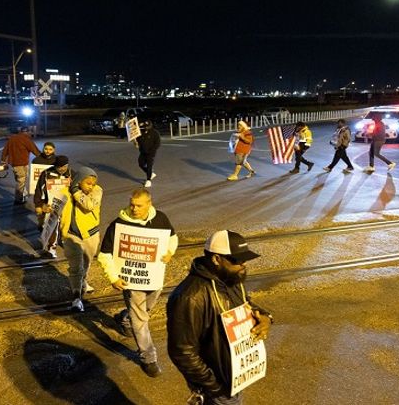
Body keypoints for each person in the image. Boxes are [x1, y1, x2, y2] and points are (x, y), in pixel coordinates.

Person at [167, 230, 273, 405]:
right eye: (236, 260)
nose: (244, 264)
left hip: (233, 378)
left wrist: (266, 317)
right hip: (218, 386)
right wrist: (213, 386)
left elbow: (246, 304)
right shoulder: (190, 297)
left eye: (244, 258)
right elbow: (182, 351)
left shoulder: (231, 279)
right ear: (216, 259)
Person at [96, 189, 178, 377]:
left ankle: (125, 318)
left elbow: (172, 238)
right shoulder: (118, 225)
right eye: (132, 204)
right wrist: (113, 278)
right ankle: (148, 357)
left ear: (149, 203)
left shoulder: (161, 219)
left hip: (154, 279)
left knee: (142, 312)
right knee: (141, 320)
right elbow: (104, 254)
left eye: (139, 205)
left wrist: (170, 252)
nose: (134, 208)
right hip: (131, 282)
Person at [60, 166, 102, 312]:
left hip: (90, 234)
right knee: (75, 267)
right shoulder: (65, 192)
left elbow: (88, 206)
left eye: (93, 184)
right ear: (79, 181)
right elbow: (58, 211)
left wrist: (76, 191)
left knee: (87, 263)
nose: (91, 187)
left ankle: (83, 281)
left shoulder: (97, 191)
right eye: (88, 183)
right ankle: (76, 297)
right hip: (71, 235)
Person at [33, 155, 74, 256]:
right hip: (52, 205)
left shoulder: (71, 173)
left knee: (67, 225)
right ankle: (51, 248)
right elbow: (39, 190)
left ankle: (65, 240)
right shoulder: (46, 174)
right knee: (52, 225)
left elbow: (76, 189)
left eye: (64, 166)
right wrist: (40, 204)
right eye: (59, 167)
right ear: (55, 166)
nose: (62, 169)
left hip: (67, 205)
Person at [0, 126, 41, 204]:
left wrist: (3, 161)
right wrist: (45, 159)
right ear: (27, 132)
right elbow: (35, 151)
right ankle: (18, 199)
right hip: (22, 164)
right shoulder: (26, 139)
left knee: (20, 179)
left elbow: (5, 151)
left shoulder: (12, 139)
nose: (30, 134)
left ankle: (23, 194)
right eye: (30, 132)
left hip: (14, 165)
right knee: (21, 180)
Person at [134, 120, 161, 187]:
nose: (146, 128)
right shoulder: (141, 132)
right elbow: (138, 141)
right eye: (145, 126)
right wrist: (136, 143)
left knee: (149, 165)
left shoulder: (155, 133)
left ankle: (148, 180)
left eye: (147, 126)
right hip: (143, 152)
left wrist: (152, 150)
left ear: (150, 126)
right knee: (141, 163)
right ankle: (150, 173)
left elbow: (157, 143)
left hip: (151, 152)